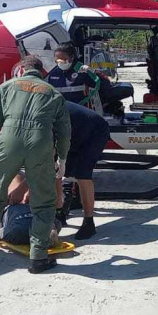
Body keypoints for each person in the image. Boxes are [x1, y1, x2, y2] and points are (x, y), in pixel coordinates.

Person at [0, 56, 71, 274]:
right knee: (43, 202)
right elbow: (64, 132)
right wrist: (61, 159)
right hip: (40, 145)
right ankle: (38, 258)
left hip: (10, 143)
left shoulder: (7, 87)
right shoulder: (53, 93)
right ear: (40, 72)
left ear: (22, 70)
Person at [57, 101, 112, 240]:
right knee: (57, 172)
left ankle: (89, 222)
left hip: (94, 132)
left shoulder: (45, 116)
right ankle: (59, 212)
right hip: (73, 133)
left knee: (83, 175)